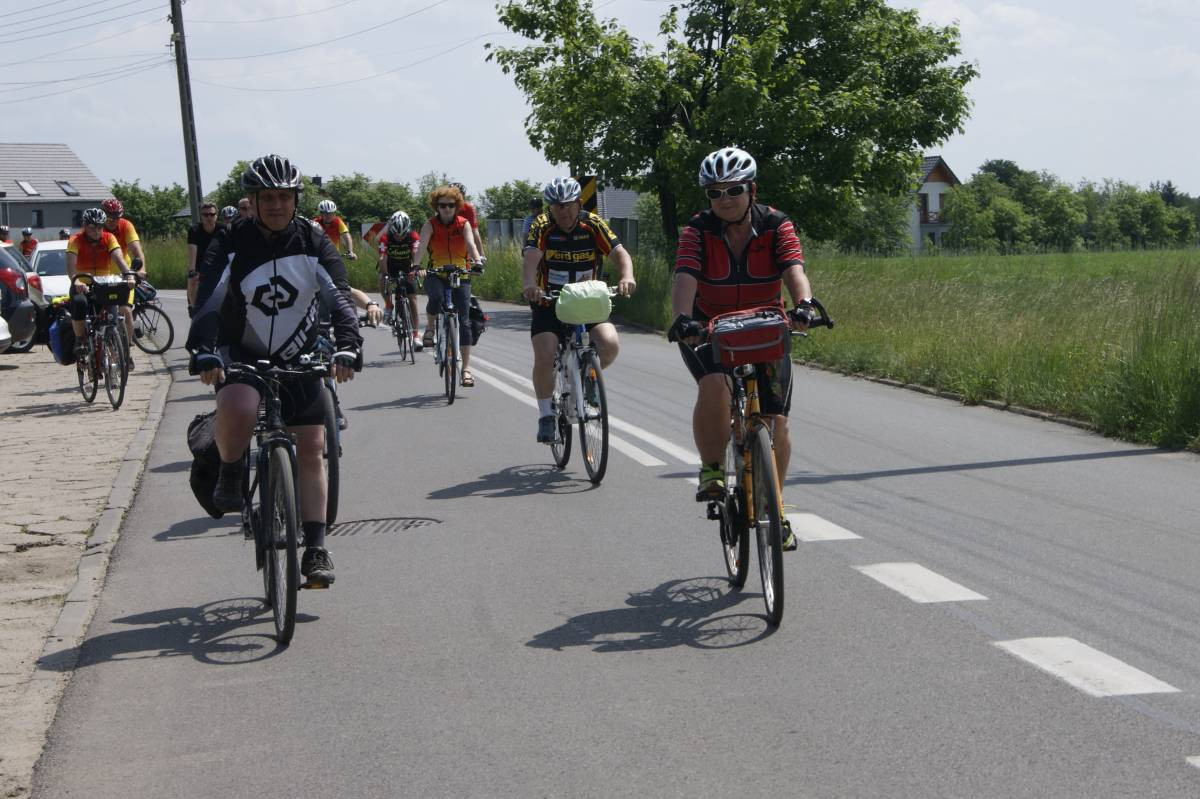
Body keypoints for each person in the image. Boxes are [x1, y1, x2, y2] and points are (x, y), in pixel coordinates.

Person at [187, 154, 363, 588]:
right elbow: (208, 298)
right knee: (241, 404)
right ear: (254, 199)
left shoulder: (313, 240)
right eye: (267, 197)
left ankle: (317, 548)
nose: (277, 205)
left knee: (313, 444)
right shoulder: (231, 241)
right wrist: (203, 350)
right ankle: (231, 469)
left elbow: (338, 295)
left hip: (298, 351)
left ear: (296, 200)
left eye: (285, 197)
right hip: (242, 348)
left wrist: (348, 343)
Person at [668, 147, 814, 551]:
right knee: (714, 385)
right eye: (715, 193)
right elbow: (685, 276)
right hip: (708, 327)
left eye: (733, 190)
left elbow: (794, 270)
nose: (725, 199)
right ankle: (713, 469)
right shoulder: (697, 231)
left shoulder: (776, 224)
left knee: (776, 422)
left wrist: (802, 305)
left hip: (764, 327)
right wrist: (683, 319)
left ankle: (774, 508)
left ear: (751, 189)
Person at [521, 177, 636, 442]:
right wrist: (529, 285)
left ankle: (587, 378)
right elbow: (531, 258)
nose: (563, 210)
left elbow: (620, 252)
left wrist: (626, 276)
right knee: (546, 353)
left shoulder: (593, 224)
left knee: (609, 344)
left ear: (578, 202)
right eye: (556, 205)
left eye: (568, 204)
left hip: (587, 300)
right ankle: (546, 415)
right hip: (548, 301)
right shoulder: (542, 226)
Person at [414, 185, 483, 386]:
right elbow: (421, 245)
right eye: (442, 205)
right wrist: (417, 265)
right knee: (435, 298)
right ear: (437, 206)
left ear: (457, 206)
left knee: (464, 320)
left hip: (460, 272)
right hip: (436, 272)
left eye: (451, 205)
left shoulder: (464, 224)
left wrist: (477, 262)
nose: (446, 209)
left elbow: (470, 245)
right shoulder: (430, 225)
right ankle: (430, 328)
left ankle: (466, 369)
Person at [66, 208, 136, 368]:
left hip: (102, 284)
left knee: (112, 316)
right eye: (92, 227)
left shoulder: (109, 238)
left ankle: (116, 359)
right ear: (85, 226)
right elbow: (71, 267)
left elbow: (119, 258)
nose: (97, 231)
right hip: (81, 284)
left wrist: (129, 275)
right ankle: (80, 341)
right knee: (79, 304)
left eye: (100, 227)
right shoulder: (75, 240)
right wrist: (76, 281)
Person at [377, 211, 422, 347]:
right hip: (390, 266)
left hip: (407, 266)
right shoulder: (385, 238)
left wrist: (415, 269)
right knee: (382, 278)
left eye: (402, 234)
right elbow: (382, 258)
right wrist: (386, 275)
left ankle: (415, 336)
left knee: (413, 300)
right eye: (396, 234)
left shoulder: (413, 236)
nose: (399, 237)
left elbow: (415, 253)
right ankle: (389, 305)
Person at [186, 202, 220, 314]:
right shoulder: (194, 230)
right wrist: (192, 272)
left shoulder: (223, 230)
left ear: (216, 215)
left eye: (212, 214)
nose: (209, 217)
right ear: (201, 216)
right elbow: (192, 252)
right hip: (200, 269)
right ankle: (195, 309)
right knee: (192, 280)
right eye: (205, 215)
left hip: (218, 269)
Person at [100, 198, 147, 274]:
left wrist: (141, 270)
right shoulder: (97, 228)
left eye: (117, 218)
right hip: (102, 274)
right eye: (110, 218)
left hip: (124, 273)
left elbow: (136, 250)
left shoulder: (126, 225)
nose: (113, 221)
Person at [449, 182, 485, 261]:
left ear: (463, 196)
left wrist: (481, 254)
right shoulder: (443, 207)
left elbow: (475, 232)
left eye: (458, 194)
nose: (455, 197)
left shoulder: (468, 208)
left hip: (464, 246)